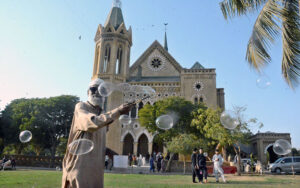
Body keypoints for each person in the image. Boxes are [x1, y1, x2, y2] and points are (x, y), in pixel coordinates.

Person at [62, 78, 134, 188]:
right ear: (87, 92)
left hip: (96, 170)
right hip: (79, 167)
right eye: (93, 89)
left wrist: (107, 150)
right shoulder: (81, 107)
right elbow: (91, 124)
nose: (96, 92)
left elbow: (93, 142)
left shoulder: (104, 116)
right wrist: (118, 111)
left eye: (101, 90)